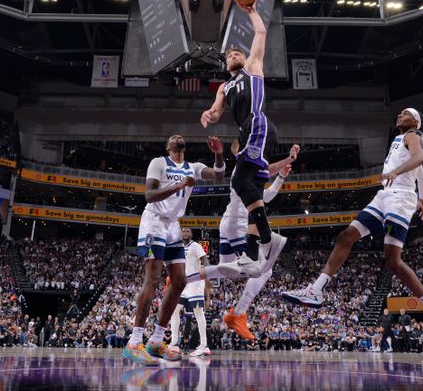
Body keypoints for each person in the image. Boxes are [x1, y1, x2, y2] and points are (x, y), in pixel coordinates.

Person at [281, 108, 423, 352]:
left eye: (405, 113)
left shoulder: (413, 135)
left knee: (393, 261)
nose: (400, 115)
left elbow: (420, 160)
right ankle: (315, 290)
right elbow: (421, 172)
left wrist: (396, 173)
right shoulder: (399, 140)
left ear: (415, 121)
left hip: (399, 198)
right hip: (384, 196)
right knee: (346, 236)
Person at [200, 0, 287, 278]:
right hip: (248, 131)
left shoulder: (252, 68)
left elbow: (260, 35)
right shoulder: (225, 86)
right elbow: (215, 112)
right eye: (230, 55)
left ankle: (267, 239)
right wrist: (208, 115)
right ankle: (251, 256)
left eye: (237, 52)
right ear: (226, 64)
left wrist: (251, 12)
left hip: (257, 122)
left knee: (239, 181)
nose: (234, 55)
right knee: (253, 190)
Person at [122, 135, 225, 365]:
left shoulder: (193, 167)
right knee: (153, 279)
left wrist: (219, 154)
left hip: (173, 226)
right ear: (169, 146)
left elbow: (219, 175)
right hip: (154, 222)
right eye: (173, 137)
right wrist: (178, 185)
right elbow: (149, 195)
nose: (178, 136)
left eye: (181, 136)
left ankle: (157, 340)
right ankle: (134, 342)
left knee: (179, 281)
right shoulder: (159, 163)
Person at [184, 140, 299, 341]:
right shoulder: (245, 167)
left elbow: (267, 184)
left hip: (228, 222)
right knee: (264, 269)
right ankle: (239, 313)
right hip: (239, 224)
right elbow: (268, 191)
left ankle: (181, 279)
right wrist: (283, 168)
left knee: (226, 269)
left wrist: (282, 171)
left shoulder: (245, 169)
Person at [169, 228, 210, 357]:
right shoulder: (179, 247)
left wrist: (209, 276)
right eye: (183, 231)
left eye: (188, 231)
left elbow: (205, 260)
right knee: (174, 310)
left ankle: (204, 346)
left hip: (195, 283)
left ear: (191, 234)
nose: (185, 233)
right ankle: (174, 343)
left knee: (198, 313)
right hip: (183, 284)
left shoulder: (196, 246)